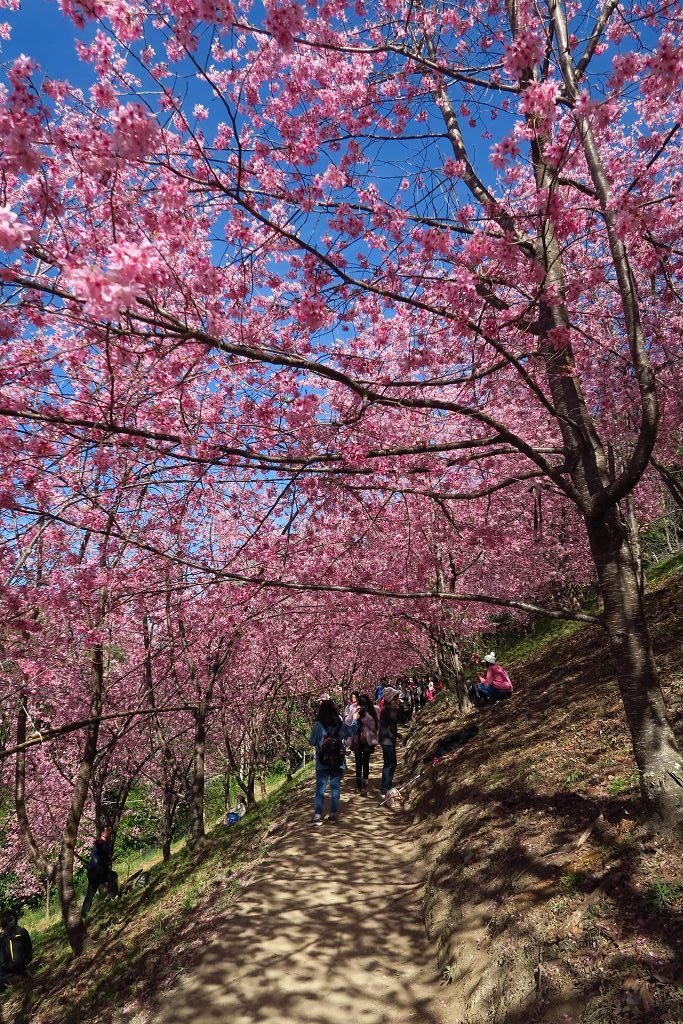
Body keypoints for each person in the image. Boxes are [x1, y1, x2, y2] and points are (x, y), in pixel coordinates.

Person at [308, 699, 359, 825]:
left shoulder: (318, 725)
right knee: (335, 787)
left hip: (322, 762)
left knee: (320, 789)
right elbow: (352, 731)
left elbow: (312, 742)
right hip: (338, 760)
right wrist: (355, 719)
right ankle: (332, 815)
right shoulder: (339, 724)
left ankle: (317, 816)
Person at [81, 825, 119, 918]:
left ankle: (84, 913)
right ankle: (113, 895)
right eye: (107, 831)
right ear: (102, 833)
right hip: (98, 871)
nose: (109, 833)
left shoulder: (97, 844)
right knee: (112, 876)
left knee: (90, 893)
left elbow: (100, 858)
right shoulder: (102, 844)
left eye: (109, 831)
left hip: (92, 872)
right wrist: (110, 859)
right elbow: (103, 858)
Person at [350, 694, 379, 795]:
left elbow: (374, 727)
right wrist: (355, 715)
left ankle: (364, 787)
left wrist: (366, 716)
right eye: (361, 704)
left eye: (364, 705)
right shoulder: (355, 711)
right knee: (358, 762)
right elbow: (350, 724)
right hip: (357, 740)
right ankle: (358, 785)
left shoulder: (371, 713)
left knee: (365, 762)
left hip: (367, 741)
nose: (363, 707)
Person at [0, 909, 32, 991]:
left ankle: (13, 979)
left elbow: (2, 961)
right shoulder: (23, 931)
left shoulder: (2, 937)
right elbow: (29, 953)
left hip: (10, 970)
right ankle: (19, 976)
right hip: (23, 967)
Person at [378, 686, 400, 797]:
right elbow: (394, 722)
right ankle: (385, 787)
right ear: (391, 699)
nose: (398, 700)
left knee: (393, 762)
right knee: (388, 763)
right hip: (387, 741)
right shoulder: (388, 711)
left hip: (389, 740)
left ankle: (388, 784)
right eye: (396, 698)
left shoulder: (388, 710)